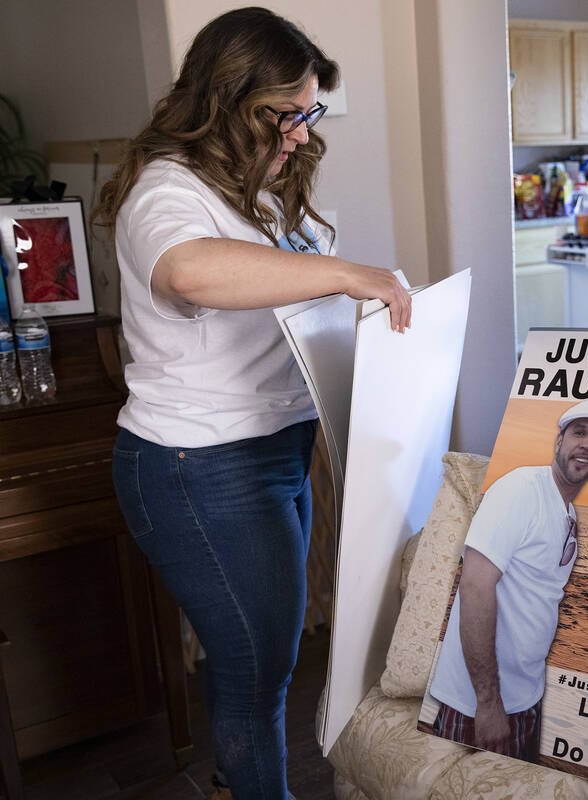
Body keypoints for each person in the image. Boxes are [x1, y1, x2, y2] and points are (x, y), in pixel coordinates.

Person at [93, 8, 412, 799]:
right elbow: (190, 271)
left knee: (261, 658)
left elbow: (282, 305)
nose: (303, 134)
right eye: (289, 115)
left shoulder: (256, 193)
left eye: (311, 113)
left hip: (273, 452)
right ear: (232, 100)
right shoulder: (166, 192)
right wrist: (345, 275)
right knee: (257, 666)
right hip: (198, 466)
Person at [428, 399, 588, 762]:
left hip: (523, 699)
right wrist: (487, 704)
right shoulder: (521, 489)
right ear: (559, 440)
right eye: (579, 433)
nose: (587, 444)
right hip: (478, 706)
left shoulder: (567, 510)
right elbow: (474, 586)